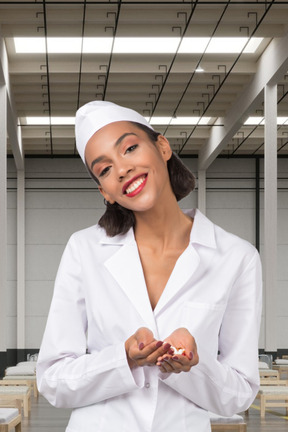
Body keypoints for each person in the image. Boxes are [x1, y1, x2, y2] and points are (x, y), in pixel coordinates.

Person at [36, 101, 262, 432]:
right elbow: (52, 379)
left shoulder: (237, 257)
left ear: (162, 146)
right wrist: (123, 359)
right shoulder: (84, 250)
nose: (122, 169)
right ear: (105, 192)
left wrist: (192, 367)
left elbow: (239, 394)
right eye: (105, 169)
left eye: (129, 148)